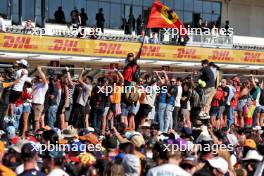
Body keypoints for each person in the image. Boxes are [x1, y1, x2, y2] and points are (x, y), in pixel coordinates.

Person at [31, 66, 48, 131]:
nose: (38, 79)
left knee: (36, 120)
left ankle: (36, 133)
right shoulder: (36, 84)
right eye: (37, 78)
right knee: (34, 120)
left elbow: (44, 79)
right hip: (33, 103)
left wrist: (40, 70)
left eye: (39, 78)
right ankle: (35, 131)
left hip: (38, 104)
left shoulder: (44, 85)